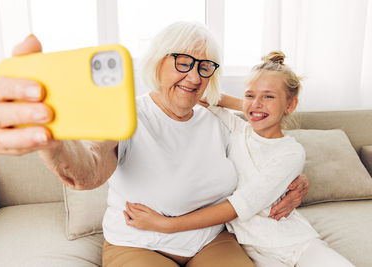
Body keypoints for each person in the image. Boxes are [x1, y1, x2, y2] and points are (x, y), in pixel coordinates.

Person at [0, 22, 310, 266]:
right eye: (183, 62)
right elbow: (88, 170)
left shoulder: (218, 120)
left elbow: (266, 149)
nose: (193, 77)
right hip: (139, 246)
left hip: (211, 240)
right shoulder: (128, 114)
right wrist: (53, 142)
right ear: (158, 62)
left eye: (204, 67)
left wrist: (295, 179)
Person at [123, 51, 355, 267]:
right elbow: (203, 97)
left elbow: (240, 205)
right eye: (250, 95)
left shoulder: (291, 153)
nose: (257, 103)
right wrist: (252, 106)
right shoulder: (237, 128)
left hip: (294, 243)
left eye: (269, 96)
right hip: (252, 250)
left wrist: (166, 225)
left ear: (291, 104)